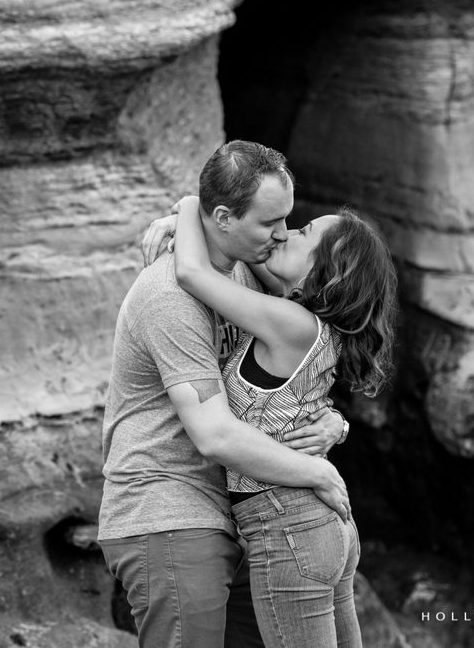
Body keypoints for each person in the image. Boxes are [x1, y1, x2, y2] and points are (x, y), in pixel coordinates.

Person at [97, 141, 352, 648]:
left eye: (288, 220)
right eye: (269, 223)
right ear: (223, 217)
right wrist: (317, 470)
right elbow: (213, 435)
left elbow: (288, 382)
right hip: (169, 510)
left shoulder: (245, 273)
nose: (281, 235)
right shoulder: (169, 296)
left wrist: (336, 422)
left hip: (243, 512)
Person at [151, 189, 398, 647]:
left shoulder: (289, 323)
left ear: (327, 269)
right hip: (323, 526)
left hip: (288, 528)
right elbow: (253, 251)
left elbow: (191, 272)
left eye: (303, 232)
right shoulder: (307, 322)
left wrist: (189, 206)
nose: (284, 234)